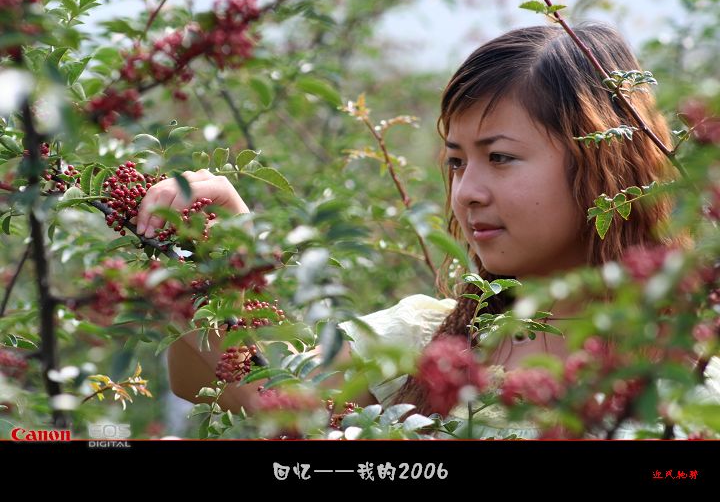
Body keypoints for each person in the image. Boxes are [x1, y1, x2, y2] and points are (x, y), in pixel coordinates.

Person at [144, 23, 687, 432]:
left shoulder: (686, 363)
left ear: (602, 165)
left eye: (499, 158)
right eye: (456, 161)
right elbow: (230, 386)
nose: (466, 190)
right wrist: (230, 256)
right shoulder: (423, 342)